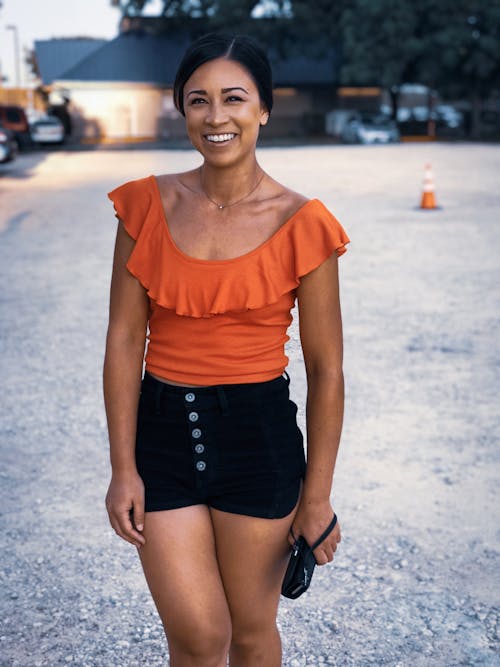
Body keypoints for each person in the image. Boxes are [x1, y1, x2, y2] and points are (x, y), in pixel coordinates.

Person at [104, 32, 349, 667]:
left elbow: (326, 370)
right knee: (196, 636)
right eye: (198, 101)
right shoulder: (143, 206)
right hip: (162, 436)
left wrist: (316, 494)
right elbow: (126, 339)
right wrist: (122, 467)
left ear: (264, 108)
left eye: (234, 99)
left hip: (258, 441)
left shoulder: (305, 222)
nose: (217, 117)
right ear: (181, 110)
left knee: (249, 631)